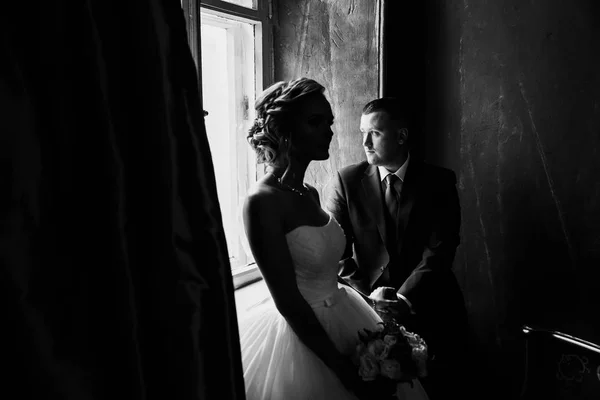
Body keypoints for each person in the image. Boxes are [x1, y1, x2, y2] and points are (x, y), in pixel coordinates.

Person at [238, 79, 430, 400]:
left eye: (329, 122)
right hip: (301, 336)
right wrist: (344, 371)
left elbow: (328, 270)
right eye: (315, 122)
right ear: (283, 129)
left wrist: (372, 309)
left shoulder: (309, 192)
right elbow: (289, 303)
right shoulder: (263, 201)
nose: (328, 131)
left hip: (345, 315)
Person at [325, 97, 469, 399]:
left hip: (431, 308)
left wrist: (404, 298)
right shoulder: (348, 180)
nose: (364, 142)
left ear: (401, 136)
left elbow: (440, 250)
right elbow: (336, 251)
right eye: (362, 132)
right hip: (366, 310)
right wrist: (367, 297)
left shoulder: (439, 181)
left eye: (374, 133)